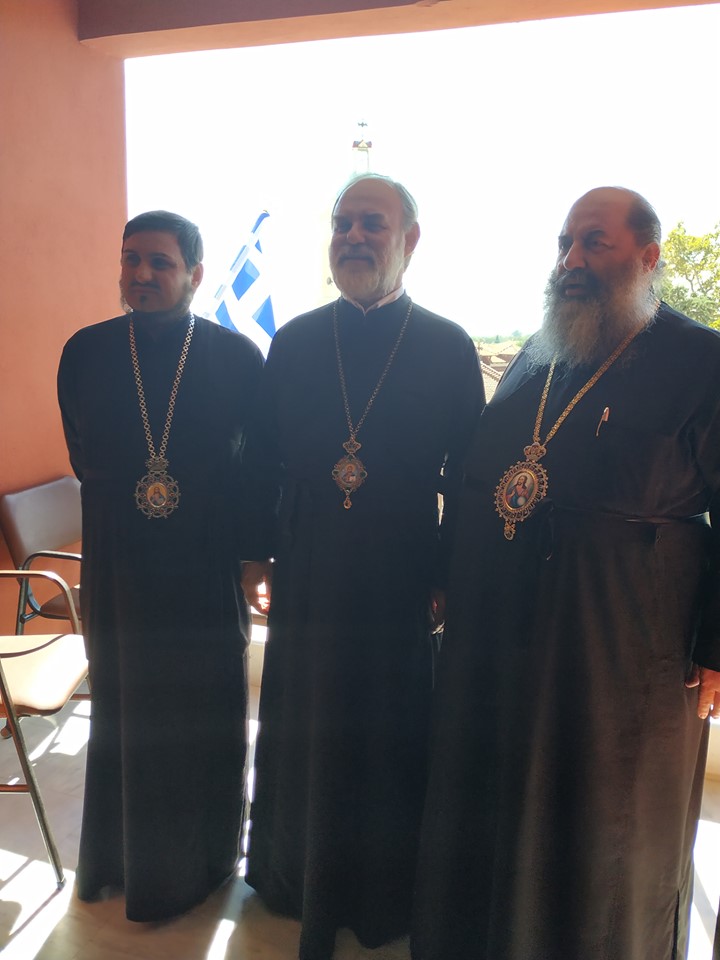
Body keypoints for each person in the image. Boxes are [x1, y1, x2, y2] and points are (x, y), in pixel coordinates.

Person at [411, 186, 720, 960]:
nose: (571, 260)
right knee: (499, 791)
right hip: (503, 628)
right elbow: (479, 474)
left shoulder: (703, 360)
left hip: (622, 643)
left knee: (599, 814)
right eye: (564, 243)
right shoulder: (539, 354)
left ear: (648, 258)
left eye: (594, 242)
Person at [241, 173, 485, 959]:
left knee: (386, 729)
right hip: (308, 562)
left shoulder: (448, 346)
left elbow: (467, 479)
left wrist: (446, 573)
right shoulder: (296, 341)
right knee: (306, 721)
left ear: (409, 240)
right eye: (342, 223)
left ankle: (379, 890)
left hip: (400, 569)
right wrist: (254, 553)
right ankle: (294, 876)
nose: (352, 237)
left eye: (371, 224)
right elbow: (262, 461)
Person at [57, 210, 264, 921]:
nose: (141, 274)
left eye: (161, 262)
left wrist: (252, 558)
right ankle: (117, 863)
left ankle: (199, 866)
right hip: (119, 568)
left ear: (195, 275)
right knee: (125, 716)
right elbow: (84, 455)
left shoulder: (236, 358)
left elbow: (256, 469)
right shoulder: (84, 352)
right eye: (131, 259)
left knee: (200, 715)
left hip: (205, 566)